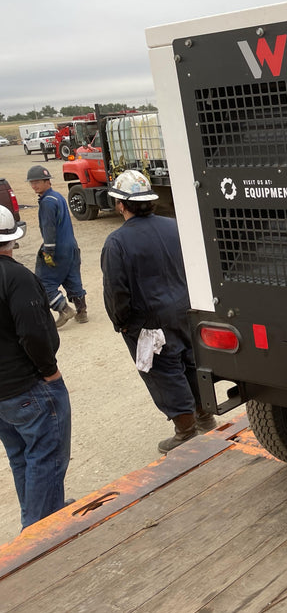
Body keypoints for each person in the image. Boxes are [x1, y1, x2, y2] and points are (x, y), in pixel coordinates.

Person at [100, 170, 216, 453]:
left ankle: (186, 431)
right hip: (186, 310)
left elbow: (116, 292)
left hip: (150, 320)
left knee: (163, 372)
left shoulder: (117, 242)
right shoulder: (173, 226)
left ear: (120, 204)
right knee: (191, 363)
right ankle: (205, 417)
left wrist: (123, 323)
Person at [0, 205, 71, 530]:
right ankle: (39, 533)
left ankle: (42, 513)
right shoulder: (15, 277)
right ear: (11, 239)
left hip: (4, 398)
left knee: (22, 458)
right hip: (28, 388)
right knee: (45, 456)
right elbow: (34, 331)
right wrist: (49, 371)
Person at [26, 165, 87, 327]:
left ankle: (65, 309)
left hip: (57, 249)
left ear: (48, 182)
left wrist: (48, 251)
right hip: (71, 247)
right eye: (32, 183)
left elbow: (49, 228)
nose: (34, 186)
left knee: (43, 283)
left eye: (37, 182)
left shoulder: (47, 202)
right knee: (72, 278)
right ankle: (82, 312)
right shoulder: (58, 197)